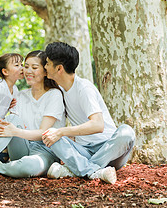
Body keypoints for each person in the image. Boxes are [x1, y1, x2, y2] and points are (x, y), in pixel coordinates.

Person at [0, 50, 65, 186]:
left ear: (46, 71)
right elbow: (10, 124)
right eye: (26, 66)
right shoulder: (20, 95)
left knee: (27, 167)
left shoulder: (54, 95)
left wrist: (14, 132)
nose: (28, 71)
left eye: (34, 68)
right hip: (21, 147)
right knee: (10, 120)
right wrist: (4, 127)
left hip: (45, 150)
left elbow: (44, 133)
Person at [42, 42, 136, 184]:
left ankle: (76, 170)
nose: (45, 67)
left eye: (48, 63)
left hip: (109, 151)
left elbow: (98, 125)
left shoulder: (84, 88)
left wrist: (61, 131)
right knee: (50, 135)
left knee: (127, 132)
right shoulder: (59, 91)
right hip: (83, 151)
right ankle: (94, 171)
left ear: (59, 68)